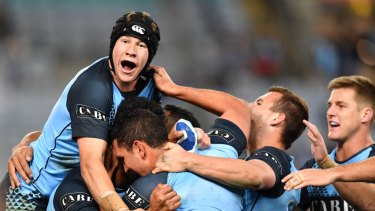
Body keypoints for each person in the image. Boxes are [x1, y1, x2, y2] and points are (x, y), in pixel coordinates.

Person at [6, 11, 162, 210]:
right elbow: (91, 164)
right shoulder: (93, 87)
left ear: (149, 57)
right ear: (113, 46)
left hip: (81, 187)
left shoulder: (151, 86)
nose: (131, 50)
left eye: (141, 45)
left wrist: (182, 107)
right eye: (125, 41)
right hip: (33, 191)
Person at [152, 70, 309, 210]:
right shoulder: (284, 168)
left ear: (277, 118)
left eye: (258, 103)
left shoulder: (277, 157)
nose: (249, 105)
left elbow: (254, 176)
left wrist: (186, 160)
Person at [111, 65, 252, 210]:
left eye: (123, 159)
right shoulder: (216, 149)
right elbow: (240, 108)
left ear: (139, 148)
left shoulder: (151, 189)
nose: (125, 168)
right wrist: (174, 89)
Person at [282, 75, 375, 211]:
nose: (330, 112)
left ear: (365, 115)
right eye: (330, 105)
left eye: (341, 106)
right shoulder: (313, 167)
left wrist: (329, 168)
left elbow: (370, 204)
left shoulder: (369, 161)